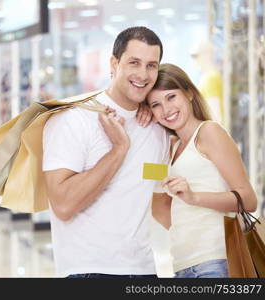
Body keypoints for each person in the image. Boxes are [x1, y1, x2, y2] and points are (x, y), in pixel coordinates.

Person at [42, 27, 170, 278]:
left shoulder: (157, 130)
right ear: (114, 63)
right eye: (134, 62)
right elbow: (63, 204)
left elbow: (153, 186)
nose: (143, 74)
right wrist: (118, 150)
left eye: (151, 65)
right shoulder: (74, 119)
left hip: (144, 270)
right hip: (88, 271)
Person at [147, 63, 257, 278]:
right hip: (181, 264)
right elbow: (159, 205)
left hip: (214, 260)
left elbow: (249, 199)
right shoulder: (169, 148)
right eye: (155, 105)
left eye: (171, 97)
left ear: (188, 93)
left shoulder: (209, 132)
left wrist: (194, 197)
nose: (166, 110)